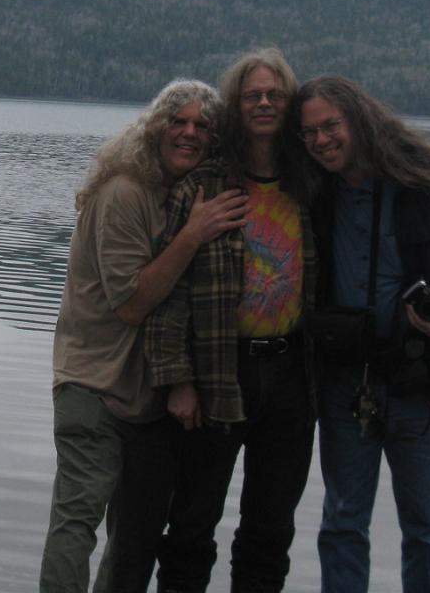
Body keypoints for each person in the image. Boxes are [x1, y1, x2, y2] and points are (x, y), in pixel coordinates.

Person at [290, 76, 430, 593]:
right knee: (342, 523)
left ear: (359, 119)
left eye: (330, 126)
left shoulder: (426, 179)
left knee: (427, 530)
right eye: (309, 133)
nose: (321, 140)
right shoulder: (312, 189)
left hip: (423, 380)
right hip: (346, 383)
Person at [40, 79, 250, 593]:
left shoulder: (179, 196)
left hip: (150, 396)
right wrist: (193, 234)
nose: (189, 132)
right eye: (178, 121)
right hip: (93, 387)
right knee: (77, 522)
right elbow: (132, 303)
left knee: (133, 539)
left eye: (202, 125)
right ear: (155, 127)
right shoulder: (123, 192)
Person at [128, 48, 319, 593]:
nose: (264, 103)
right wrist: (178, 380)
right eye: (252, 94)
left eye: (274, 94)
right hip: (217, 370)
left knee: (270, 531)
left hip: (292, 376)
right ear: (236, 105)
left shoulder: (310, 184)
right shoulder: (204, 186)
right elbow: (169, 295)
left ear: (288, 103)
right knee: (191, 524)